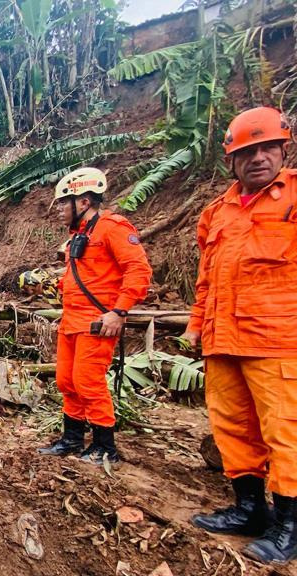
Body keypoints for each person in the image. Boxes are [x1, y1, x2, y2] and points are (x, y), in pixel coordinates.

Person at [184, 107, 297, 564]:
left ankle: (289, 524)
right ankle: (249, 508)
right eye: (247, 151)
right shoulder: (218, 213)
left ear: (282, 148)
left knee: (285, 431)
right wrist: (196, 324)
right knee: (232, 427)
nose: (258, 158)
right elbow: (206, 278)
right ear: (231, 159)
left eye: (267, 147)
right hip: (223, 338)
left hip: (279, 339)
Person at [38, 167, 151, 464]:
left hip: (97, 321)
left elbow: (138, 271)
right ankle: (72, 438)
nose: (60, 209)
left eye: (64, 202)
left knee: (88, 381)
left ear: (84, 201)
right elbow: (84, 275)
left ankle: (104, 445)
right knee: (66, 380)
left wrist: (119, 311)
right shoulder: (79, 235)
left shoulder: (113, 228)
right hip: (71, 320)